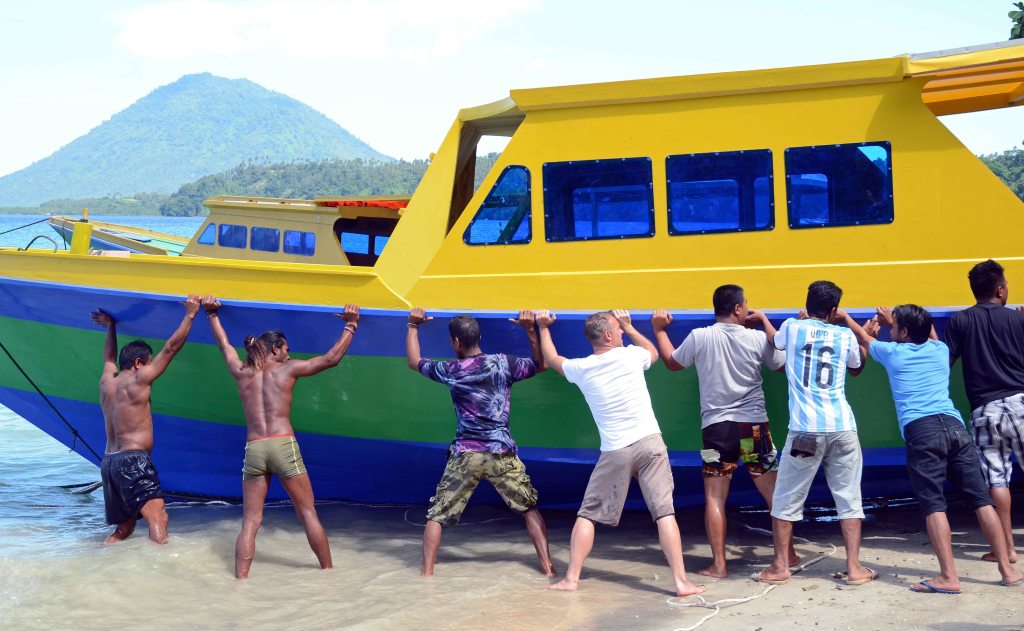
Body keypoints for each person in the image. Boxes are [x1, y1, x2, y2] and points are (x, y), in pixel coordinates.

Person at [840, 304, 1023, 592]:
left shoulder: (892, 353)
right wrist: (900, 323)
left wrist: (845, 318)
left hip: (922, 431)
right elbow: (931, 335)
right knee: (981, 500)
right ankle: (1007, 570)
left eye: (896, 324)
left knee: (934, 504)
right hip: (954, 426)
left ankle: (949, 577)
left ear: (904, 331)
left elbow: (864, 338)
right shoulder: (938, 350)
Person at [537, 309, 705, 597]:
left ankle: (571, 579)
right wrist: (633, 325)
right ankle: (681, 583)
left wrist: (542, 328)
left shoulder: (582, 368)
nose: (623, 332)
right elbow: (652, 352)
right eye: (619, 328)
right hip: (650, 443)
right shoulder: (630, 356)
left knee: (588, 514)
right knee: (665, 513)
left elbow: (552, 359)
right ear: (608, 335)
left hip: (616, 450)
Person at [202, 295, 360, 579]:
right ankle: (329, 576)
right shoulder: (288, 369)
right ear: (276, 349)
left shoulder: (241, 371)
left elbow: (224, 345)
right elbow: (331, 359)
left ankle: (240, 583)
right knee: (307, 512)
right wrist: (351, 325)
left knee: (250, 521)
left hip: (254, 447)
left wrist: (212, 315)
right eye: (286, 349)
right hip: (283, 444)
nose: (289, 353)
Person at [651, 285, 798, 578]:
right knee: (774, 495)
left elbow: (672, 362)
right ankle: (788, 555)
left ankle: (719, 565)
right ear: (738, 309)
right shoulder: (757, 338)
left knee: (715, 497)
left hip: (716, 430)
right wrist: (768, 325)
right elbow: (781, 366)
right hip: (754, 427)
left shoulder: (700, 336)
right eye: (746, 305)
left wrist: (659, 330)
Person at [407, 308, 555, 577]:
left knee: (437, 515)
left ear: (455, 342)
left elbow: (414, 361)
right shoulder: (503, 363)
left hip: (466, 454)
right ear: (479, 337)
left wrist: (413, 325)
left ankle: (426, 575)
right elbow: (540, 364)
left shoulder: (451, 370)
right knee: (529, 509)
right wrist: (531, 329)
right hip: (501, 452)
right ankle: (548, 569)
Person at [754, 280, 875, 586]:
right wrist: (866, 336)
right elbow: (857, 367)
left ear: (806, 306)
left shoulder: (793, 328)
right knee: (849, 499)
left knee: (785, 500)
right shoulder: (845, 334)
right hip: (843, 428)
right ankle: (854, 569)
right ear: (834, 310)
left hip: (805, 431)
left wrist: (766, 320)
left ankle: (781, 566)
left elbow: (775, 341)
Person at [90, 295, 201, 544]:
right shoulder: (139, 380)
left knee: (125, 528)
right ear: (139, 363)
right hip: (133, 461)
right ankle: (161, 572)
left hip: (108, 463)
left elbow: (109, 359)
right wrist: (191, 314)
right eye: (149, 363)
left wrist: (111, 327)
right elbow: (171, 348)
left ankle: (102, 562)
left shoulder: (106, 383)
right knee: (158, 517)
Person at [945, 259, 1024, 564]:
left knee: (997, 481)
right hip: (1021, 403)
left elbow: (946, 362)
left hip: (985, 410)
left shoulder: (960, 321)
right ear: (1001, 289)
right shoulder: (1018, 320)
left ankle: (1005, 550)